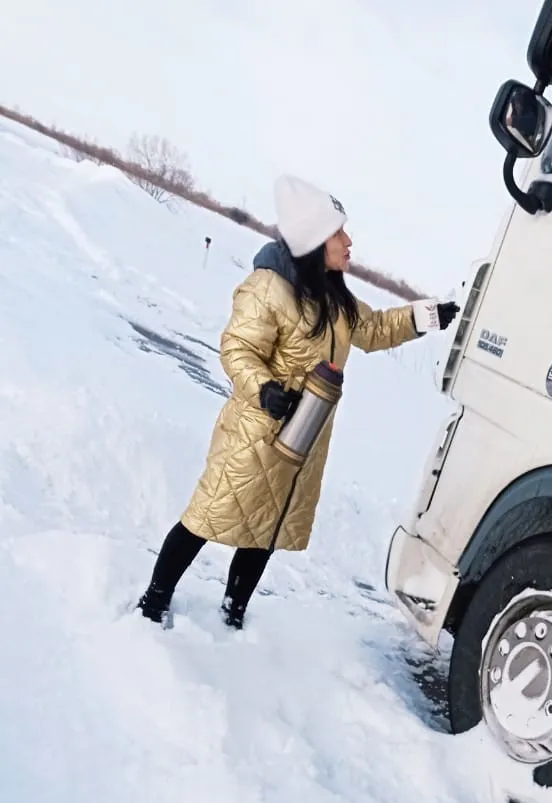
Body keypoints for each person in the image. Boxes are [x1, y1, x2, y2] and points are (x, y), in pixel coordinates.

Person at [135, 174, 460, 629]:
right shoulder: (268, 288)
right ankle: (153, 601)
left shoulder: (333, 297)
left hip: (302, 436)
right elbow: (237, 348)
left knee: (264, 529)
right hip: (256, 432)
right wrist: (264, 388)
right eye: (338, 233)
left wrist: (427, 316)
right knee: (206, 517)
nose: (349, 241)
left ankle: (233, 613)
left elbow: (372, 330)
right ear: (313, 241)